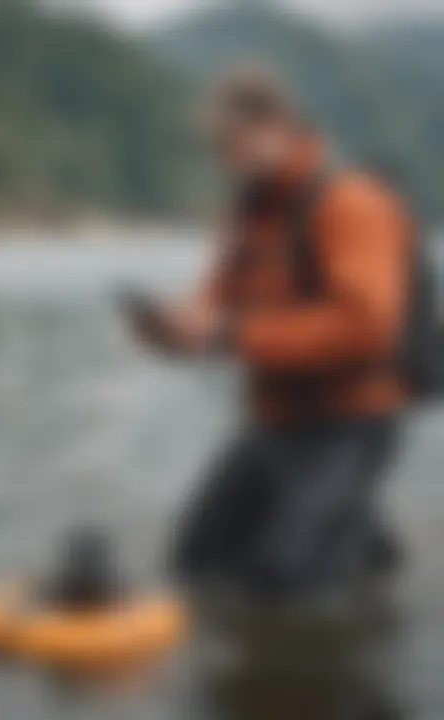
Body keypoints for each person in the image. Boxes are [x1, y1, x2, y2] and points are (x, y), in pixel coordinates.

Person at [128, 68, 413, 601]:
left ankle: (355, 544)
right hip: (276, 419)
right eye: (218, 148)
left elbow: (369, 326)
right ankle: (363, 539)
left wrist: (232, 336)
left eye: (232, 143)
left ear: (276, 125)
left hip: (353, 420)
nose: (225, 160)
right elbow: (215, 298)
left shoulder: (352, 201)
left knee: (285, 581)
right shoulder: (246, 211)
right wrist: (175, 329)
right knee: (197, 562)